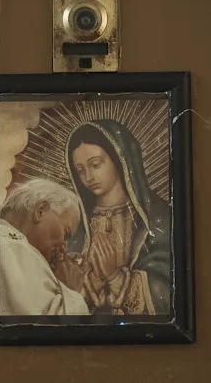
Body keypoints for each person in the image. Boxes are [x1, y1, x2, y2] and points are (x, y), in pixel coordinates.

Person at [56, 120, 172, 316]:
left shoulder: (157, 219)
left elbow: (168, 294)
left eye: (95, 164)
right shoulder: (76, 226)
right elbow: (59, 298)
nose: (88, 177)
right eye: (80, 170)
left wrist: (116, 277)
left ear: (119, 159)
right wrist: (95, 280)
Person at [0, 178, 89, 316]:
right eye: (66, 233)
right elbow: (51, 331)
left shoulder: (2, 241)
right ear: (41, 210)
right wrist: (72, 291)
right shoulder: (13, 249)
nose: (64, 248)